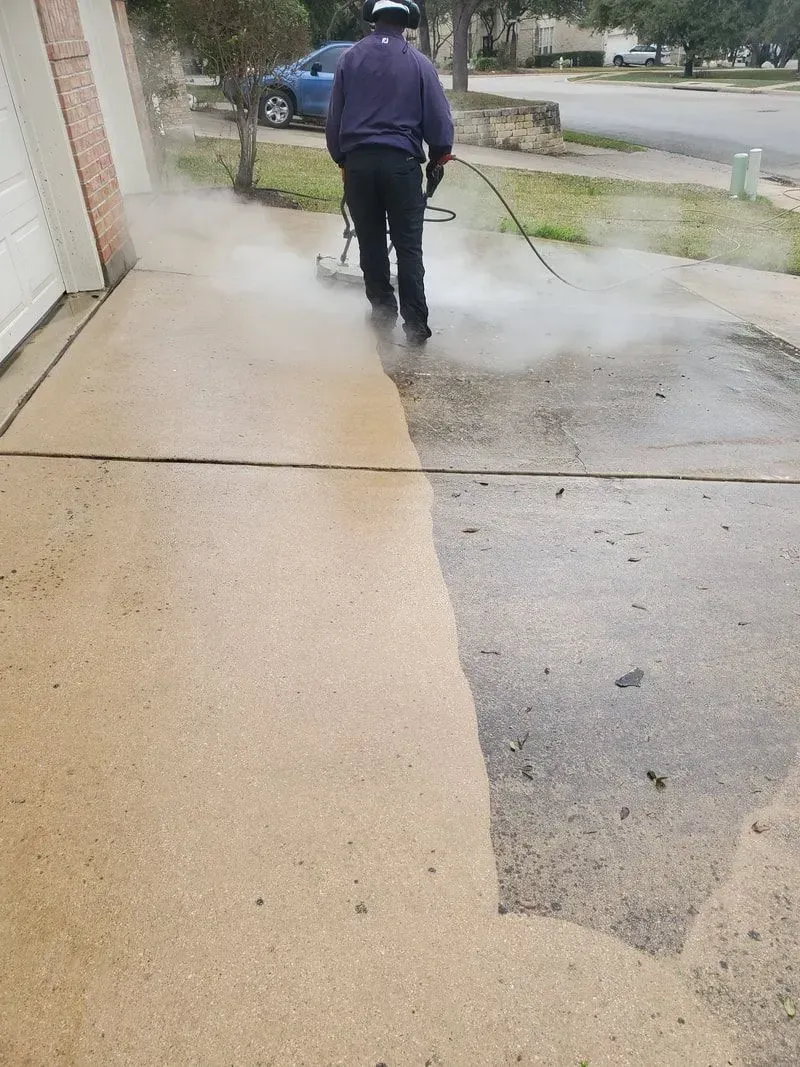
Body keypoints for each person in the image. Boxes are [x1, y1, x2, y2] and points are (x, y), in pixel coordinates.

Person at [325, 0, 454, 345]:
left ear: (374, 19)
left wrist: (342, 160)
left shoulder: (349, 59)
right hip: (402, 167)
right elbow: (439, 120)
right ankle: (416, 325)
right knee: (408, 248)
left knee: (370, 242)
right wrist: (439, 155)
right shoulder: (419, 64)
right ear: (406, 24)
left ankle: (382, 312)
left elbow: (335, 117)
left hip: (360, 166)